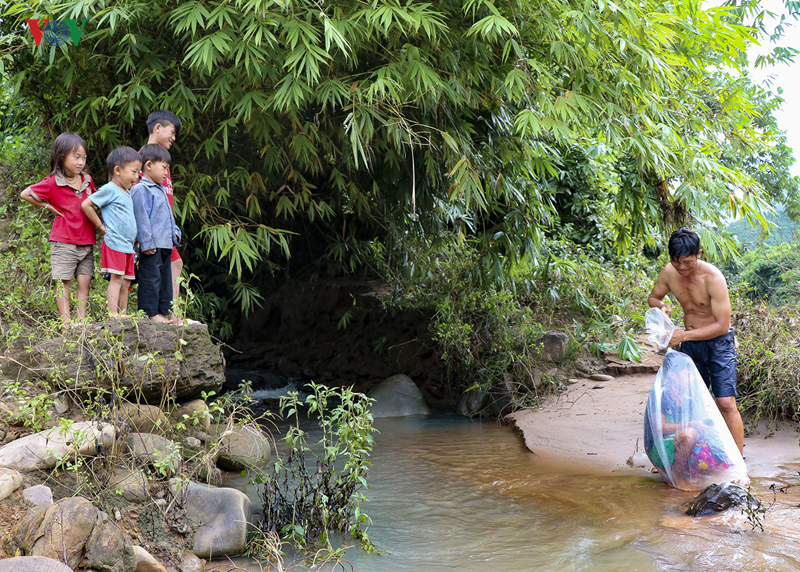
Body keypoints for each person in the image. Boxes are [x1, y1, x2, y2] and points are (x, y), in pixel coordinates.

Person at [648, 227, 744, 455]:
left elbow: (722, 324)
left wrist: (682, 336)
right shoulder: (669, 273)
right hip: (691, 345)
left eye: (687, 262)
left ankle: (738, 462)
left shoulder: (713, 278)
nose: (682, 267)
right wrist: (662, 307)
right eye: (676, 261)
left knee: (726, 403)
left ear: (698, 254)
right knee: (689, 403)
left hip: (719, 344)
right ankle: (688, 456)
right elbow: (653, 297)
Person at [20, 133, 97, 327]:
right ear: (61, 156)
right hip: (64, 240)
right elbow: (26, 194)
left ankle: (82, 322)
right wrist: (48, 206)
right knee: (64, 282)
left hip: (86, 240)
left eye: (84, 157)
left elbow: (95, 202)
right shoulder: (53, 182)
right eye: (76, 157)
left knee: (84, 281)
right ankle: (66, 324)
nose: (81, 162)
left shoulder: (87, 180)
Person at [644, 351, 734, 490]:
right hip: (659, 447)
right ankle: (676, 478)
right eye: (687, 375)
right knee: (689, 433)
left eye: (692, 375)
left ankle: (685, 472)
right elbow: (659, 428)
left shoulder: (687, 398)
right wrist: (692, 425)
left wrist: (703, 427)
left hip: (678, 444)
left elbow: (698, 421)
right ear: (672, 375)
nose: (691, 379)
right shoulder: (662, 394)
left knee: (720, 461)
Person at [81, 147, 142, 316]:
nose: (137, 177)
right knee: (116, 279)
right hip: (115, 243)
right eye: (134, 172)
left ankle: (123, 314)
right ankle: (113, 314)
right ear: (117, 170)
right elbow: (86, 204)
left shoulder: (128, 192)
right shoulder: (110, 189)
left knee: (126, 280)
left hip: (128, 245)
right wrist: (100, 225)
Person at [131, 144, 181, 323]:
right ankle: (150, 313)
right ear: (149, 165)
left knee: (165, 279)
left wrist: (175, 233)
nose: (167, 172)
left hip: (166, 243)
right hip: (152, 245)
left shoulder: (160, 189)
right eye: (164, 167)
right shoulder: (140, 189)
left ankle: (163, 311)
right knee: (150, 279)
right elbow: (141, 218)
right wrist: (146, 243)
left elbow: (169, 216)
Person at [143, 109, 183, 322]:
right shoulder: (143, 158)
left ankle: (172, 314)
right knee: (157, 271)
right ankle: (160, 314)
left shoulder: (161, 160)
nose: (174, 138)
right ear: (158, 128)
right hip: (153, 232)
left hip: (166, 230)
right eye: (172, 132)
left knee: (176, 264)